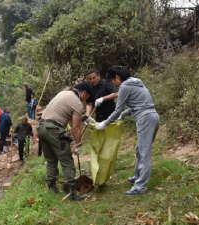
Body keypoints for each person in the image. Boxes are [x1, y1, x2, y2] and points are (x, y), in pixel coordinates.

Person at [95, 66, 160, 195]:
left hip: (145, 119)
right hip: (153, 116)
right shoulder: (137, 83)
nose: (113, 84)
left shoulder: (125, 86)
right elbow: (138, 105)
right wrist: (123, 114)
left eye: (112, 81)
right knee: (139, 150)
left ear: (117, 77)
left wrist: (106, 123)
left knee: (144, 152)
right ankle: (138, 176)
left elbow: (117, 109)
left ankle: (140, 187)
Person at [37, 82, 96, 201]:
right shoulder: (77, 103)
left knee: (51, 159)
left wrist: (85, 118)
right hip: (53, 129)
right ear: (84, 92)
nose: (85, 100)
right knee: (67, 160)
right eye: (87, 97)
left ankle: (52, 187)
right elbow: (75, 127)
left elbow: (66, 114)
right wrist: (78, 144)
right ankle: (71, 193)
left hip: (42, 127)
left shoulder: (64, 93)